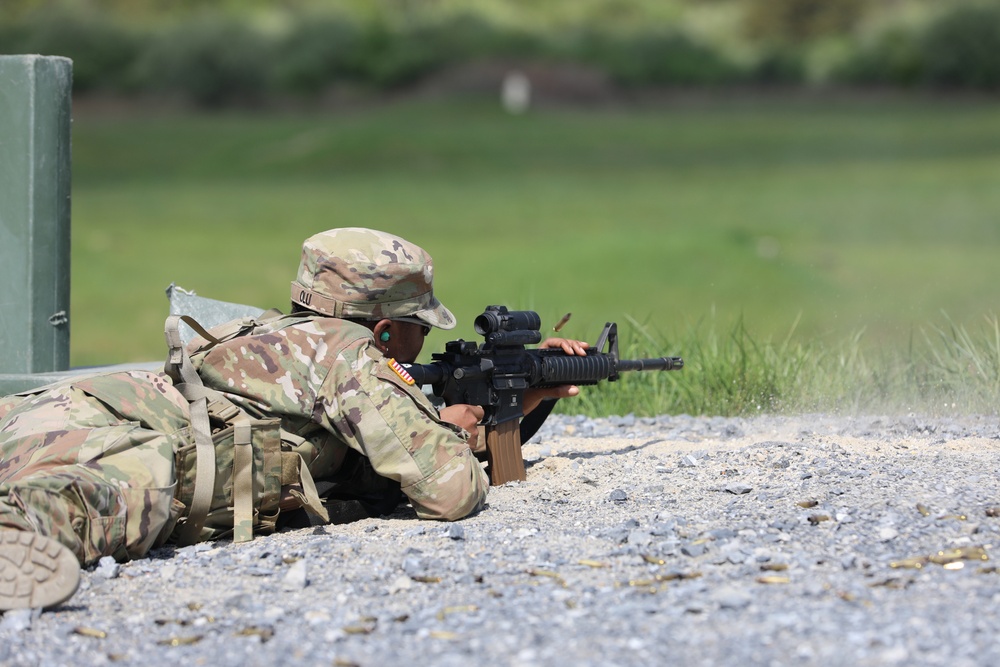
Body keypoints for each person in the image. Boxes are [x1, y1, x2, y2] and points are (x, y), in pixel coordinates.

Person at [0, 227, 587, 612]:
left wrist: (512, 406)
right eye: (420, 324)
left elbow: (358, 459)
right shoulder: (346, 357)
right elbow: (449, 491)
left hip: (64, 412)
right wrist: (455, 434)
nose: (425, 338)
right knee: (135, 497)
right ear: (381, 328)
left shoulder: (274, 334)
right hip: (117, 453)